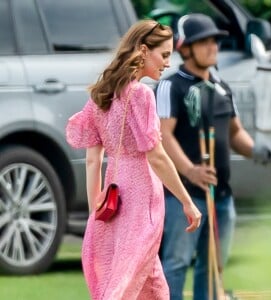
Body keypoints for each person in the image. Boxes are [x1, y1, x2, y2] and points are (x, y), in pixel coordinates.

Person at [65, 19, 201, 300]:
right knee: (127, 283)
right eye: (163, 55)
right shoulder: (141, 94)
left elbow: (93, 160)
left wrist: (96, 213)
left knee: (150, 285)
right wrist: (188, 202)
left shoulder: (102, 94)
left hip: (112, 197)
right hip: (140, 197)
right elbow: (156, 156)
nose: (167, 63)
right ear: (142, 51)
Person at [155, 14, 271, 300]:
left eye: (214, 41)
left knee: (214, 267)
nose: (212, 47)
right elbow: (163, 136)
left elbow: (236, 133)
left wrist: (262, 152)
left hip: (221, 194)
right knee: (176, 263)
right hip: (182, 195)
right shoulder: (172, 86)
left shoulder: (222, 87)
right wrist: (190, 170)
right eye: (203, 42)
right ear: (185, 48)